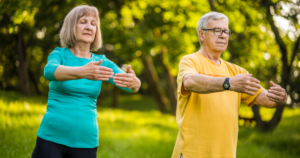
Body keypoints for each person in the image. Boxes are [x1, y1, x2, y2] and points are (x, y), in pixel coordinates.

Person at [171, 12, 287, 158]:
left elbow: (266, 98)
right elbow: (189, 82)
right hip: (192, 153)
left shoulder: (236, 71)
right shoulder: (190, 61)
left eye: (226, 31)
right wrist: (228, 83)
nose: (223, 35)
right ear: (201, 35)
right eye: (217, 31)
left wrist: (280, 98)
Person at [31, 5, 141, 158]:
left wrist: (135, 83)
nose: (89, 27)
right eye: (83, 22)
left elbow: (130, 86)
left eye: (93, 23)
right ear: (71, 26)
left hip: (86, 142)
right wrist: (82, 71)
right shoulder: (59, 54)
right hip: (51, 138)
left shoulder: (101, 62)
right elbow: (49, 71)